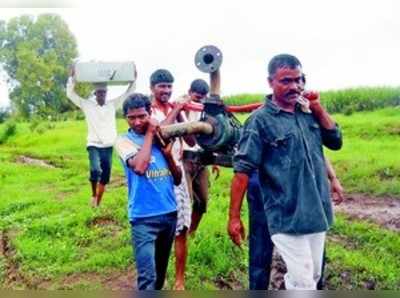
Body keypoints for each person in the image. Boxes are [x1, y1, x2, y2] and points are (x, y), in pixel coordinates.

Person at [228, 53, 343, 290]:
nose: (295, 86)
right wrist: (234, 217)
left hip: (316, 209)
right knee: (302, 281)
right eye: (286, 81)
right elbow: (242, 171)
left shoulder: (308, 113)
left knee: (313, 275)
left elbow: (334, 142)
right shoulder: (260, 121)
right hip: (285, 213)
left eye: (299, 80)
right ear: (271, 82)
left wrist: (317, 107)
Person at [115, 93, 181, 290]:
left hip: (169, 213)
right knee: (147, 278)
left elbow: (177, 179)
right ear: (125, 118)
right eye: (131, 117)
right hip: (143, 218)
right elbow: (140, 167)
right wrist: (151, 133)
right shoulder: (123, 141)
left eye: (142, 116)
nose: (137, 122)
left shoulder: (164, 137)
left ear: (150, 113)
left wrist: (169, 156)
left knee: (160, 276)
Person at [247, 157, 344, 290]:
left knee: (311, 256)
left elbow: (315, 148)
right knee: (261, 247)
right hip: (267, 182)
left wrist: (333, 177)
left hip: (301, 183)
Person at [148, 69, 196, 290]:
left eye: (169, 86)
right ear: (152, 88)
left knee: (182, 228)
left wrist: (182, 115)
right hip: (158, 177)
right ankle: (158, 278)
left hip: (177, 173)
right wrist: (176, 109)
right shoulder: (148, 110)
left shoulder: (174, 110)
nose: (166, 90)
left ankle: (179, 280)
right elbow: (161, 135)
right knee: (162, 230)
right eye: (162, 86)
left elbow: (191, 139)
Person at [66, 68, 135, 207]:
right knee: (95, 170)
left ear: (106, 93)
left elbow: (128, 93)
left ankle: (97, 202)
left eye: (103, 93)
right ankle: (93, 194)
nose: (101, 95)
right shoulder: (87, 105)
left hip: (108, 145)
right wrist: (71, 79)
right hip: (93, 144)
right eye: (99, 93)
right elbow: (70, 94)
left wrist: (134, 79)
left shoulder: (112, 105)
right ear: (95, 94)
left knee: (105, 177)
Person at [175, 79, 220, 235]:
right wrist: (184, 105)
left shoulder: (205, 110)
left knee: (202, 202)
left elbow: (212, 135)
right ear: (189, 92)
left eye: (202, 97)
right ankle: (181, 233)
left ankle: (191, 232)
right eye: (196, 96)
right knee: (186, 200)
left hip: (202, 159)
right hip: (185, 159)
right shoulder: (181, 107)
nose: (198, 99)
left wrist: (214, 159)